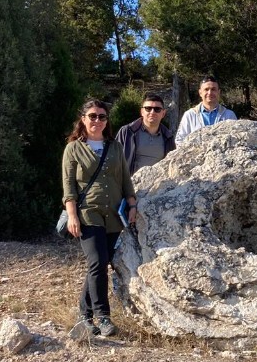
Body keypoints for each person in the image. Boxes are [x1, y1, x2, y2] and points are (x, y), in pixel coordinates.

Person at [62, 99, 137, 338]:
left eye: (102, 117)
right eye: (92, 116)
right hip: (88, 213)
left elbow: (125, 179)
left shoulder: (114, 147)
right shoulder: (73, 149)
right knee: (97, 262)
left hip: (113, 214)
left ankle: (84, 316)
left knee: (100, 263)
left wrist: (132, 204)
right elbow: (69, 187)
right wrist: (72, 215)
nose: (97, 120)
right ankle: (103, 316)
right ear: (83, 119)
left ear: (107, 121)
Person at [114, 92, 176, 175]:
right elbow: (114, 160)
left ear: (163, 113)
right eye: (148, 108)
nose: (152, 112)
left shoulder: (168, 137)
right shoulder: (127, 132)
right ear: (142, 111)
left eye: (157, 109)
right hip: (130, 185)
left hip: (159, 185)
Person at [175, 76, 236, 146]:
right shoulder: (190, 115)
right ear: (200, 93)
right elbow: (180, 141)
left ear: (219, 92)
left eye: (213, 89)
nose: (210, 93)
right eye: (206, 89)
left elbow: (235, 140)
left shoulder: (229, 115)